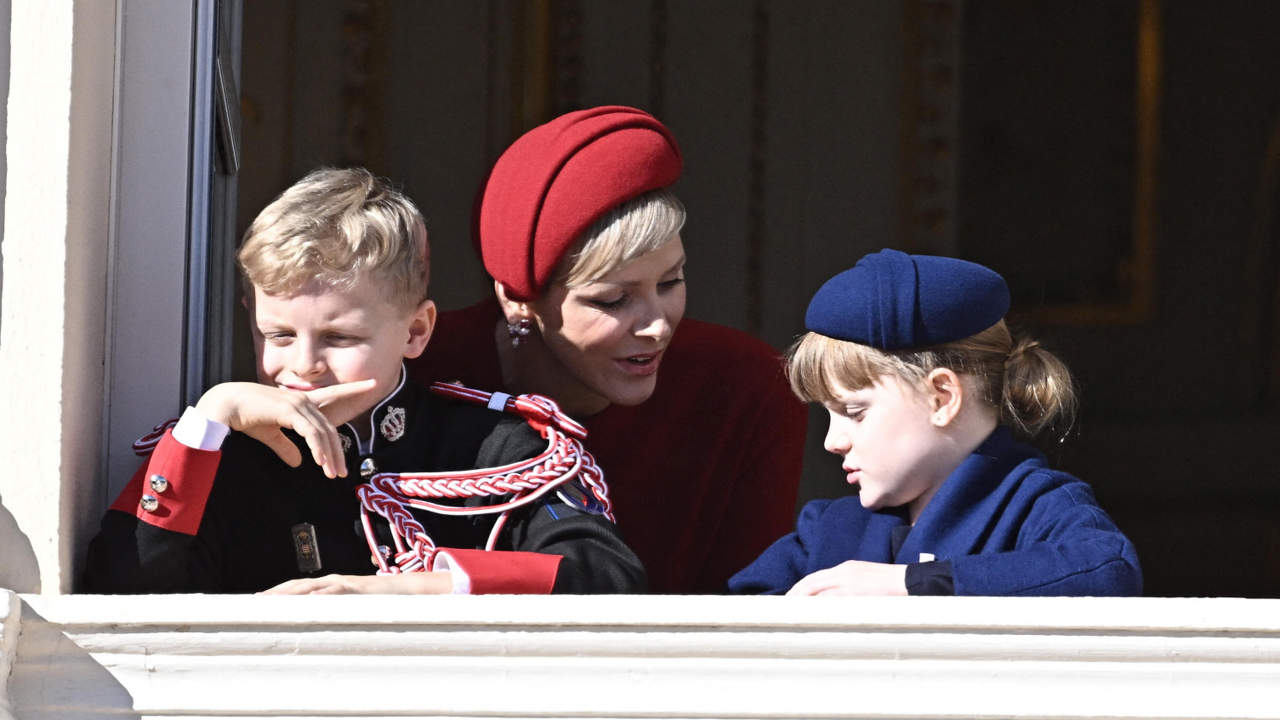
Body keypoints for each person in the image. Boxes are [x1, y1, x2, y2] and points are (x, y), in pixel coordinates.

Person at [84, 167, 644, 595]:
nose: (303, 365)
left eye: (340, 339)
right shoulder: (225, 457)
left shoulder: (495, 449)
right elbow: (117, 590)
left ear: (417, 331)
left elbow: (607, 577)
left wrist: (401, 590)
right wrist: (210, 415)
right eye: (277, 336)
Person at [408, 106, 808, 593]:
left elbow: (751, 609)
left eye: (671, 281)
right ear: (516, 298)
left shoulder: (744, 384)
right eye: (613, 299)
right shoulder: (413, 368)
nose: (658, 325)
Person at [729, 249, 1142, 596]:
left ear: (941, 397)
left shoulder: (1037, 507)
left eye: (854, 413)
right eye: (829, 415)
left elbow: (1108, 569)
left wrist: (910, 584)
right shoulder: (829, 529)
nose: (832, 442)